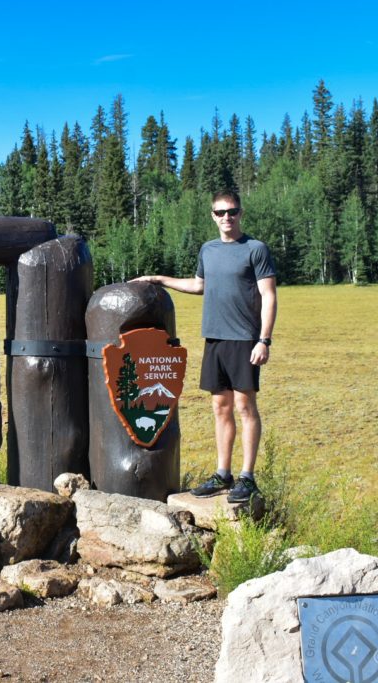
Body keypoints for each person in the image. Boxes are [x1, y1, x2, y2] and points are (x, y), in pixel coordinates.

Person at [132, 189, 277, 502]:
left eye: (232, 211)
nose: (227, 217)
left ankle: (247, 477)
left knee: (244, 407)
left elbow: (269, 296)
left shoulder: (255, 249)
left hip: (244, 340)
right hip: (214, 339)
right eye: (221, 212)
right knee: (219, 407)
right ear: (213, 216)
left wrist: (264, 340)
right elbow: (199, 285)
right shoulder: (208, 250)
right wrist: (158, 279)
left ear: (241, 213)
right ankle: (222, 474)